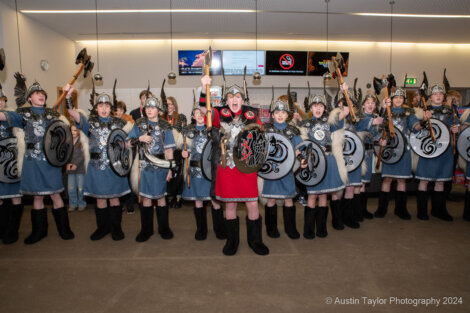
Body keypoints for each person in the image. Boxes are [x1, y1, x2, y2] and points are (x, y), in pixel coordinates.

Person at [200, 74, 269, 256]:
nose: (234, 100)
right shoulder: (218, 113)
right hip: (227, 166)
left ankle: (256, 241)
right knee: (229, 205)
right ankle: (232, 242)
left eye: (238, 97)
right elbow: (203, 110)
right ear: (226, 100)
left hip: (246, 167)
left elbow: (261, 138)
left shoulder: (251, 114)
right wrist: (203, 89)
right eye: (230, 97)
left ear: (243, 99)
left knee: (252, 204)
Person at [0, 74, 74, 244]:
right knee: (37, 197)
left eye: (43, 93)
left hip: (50, 162)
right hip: (32, 162)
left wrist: (67, 96)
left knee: (56, 196)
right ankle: (39, 232)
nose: (41, 95)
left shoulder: (53, 114)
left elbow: (64, 134)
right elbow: (3, 117)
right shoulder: (22, 114)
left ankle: (65, 229)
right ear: (30, 98)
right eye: (37, 93)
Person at [66, 84, 132, 240]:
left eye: (107, 106)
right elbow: (73, 114)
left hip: (114, 167)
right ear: (96, 108)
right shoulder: (90, 124)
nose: (104, 108)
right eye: (101, 105)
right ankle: (102, 229)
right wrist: (68, 97)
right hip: (97, 167)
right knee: (100, 199)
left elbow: (129, 141)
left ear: (111, 108)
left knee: (115, 198)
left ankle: (116, 229)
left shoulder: (120, 124)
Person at [298, 92, 348, 239]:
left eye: (320, 106)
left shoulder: (330, 122)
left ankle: (321, 228)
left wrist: (344, 91)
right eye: (315, 106)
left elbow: (345, 111)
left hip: (329, 161)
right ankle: (308, 229)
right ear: (311, 108)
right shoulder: (305, 124)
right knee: (312, 195)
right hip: (314, 163)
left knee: (324, 196)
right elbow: (301, 143)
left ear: (324, 107)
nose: (318, 108)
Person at [128, 96, 175, 242]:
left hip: (161, 165)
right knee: (146, 198)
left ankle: (164, 228)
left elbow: (169, 150)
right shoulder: (139, 124)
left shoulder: (165, 125)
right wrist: (139, 139)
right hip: (144, 166)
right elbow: (127, 143)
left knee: (161, 197)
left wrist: (169, 168)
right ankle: (146, 230)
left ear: (159, 110)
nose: (149, 110)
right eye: (147, 107)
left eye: (153, 107)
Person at [261, 97, 305, 239]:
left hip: (287, 170)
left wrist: (302, 159)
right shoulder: (265, 130)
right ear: (272, 115)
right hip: (271, 170)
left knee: (288, 199)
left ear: (288, 115)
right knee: (271, 200)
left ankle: (290, 228)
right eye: (277, 112)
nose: (280, 115)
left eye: (283, 112)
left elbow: (299, 149)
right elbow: (260, 148)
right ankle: (271, 228)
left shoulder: (293, 130)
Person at [414, 84, 459, 221]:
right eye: (435, 94)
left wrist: (456, 130)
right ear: (430, 97)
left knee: (441, 181)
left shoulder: (450, 111)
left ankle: (438, 210)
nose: (438, 96)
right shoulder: (422, 111)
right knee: (424, 181)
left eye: (440, 94)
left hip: (445, 151)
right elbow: (415, 129)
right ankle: (421, 212)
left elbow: (456, 127)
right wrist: (423, 119)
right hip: (428, 150)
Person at [181, 104, 225, 240]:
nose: (199, 116)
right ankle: (201, 230)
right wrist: (183, 153)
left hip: (210, 171)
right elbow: (186, 149)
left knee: (215, 200)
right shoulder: (187, 132)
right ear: (193, 117)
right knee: (198, 201)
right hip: (195, 171)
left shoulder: (214, 131)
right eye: (197, 114)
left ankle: (220, 230)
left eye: (202, 114)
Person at [375, 88, 420, 220]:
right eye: (396, 97)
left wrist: (420, 124)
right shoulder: (385, 112)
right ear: (392, 99)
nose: (398, 99)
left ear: (404, 99)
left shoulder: (409, 112)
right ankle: (381, 209)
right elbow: (378, 127)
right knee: (387, 179)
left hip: (404, 151)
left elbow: (414, 125)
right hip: (389, 150)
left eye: (401, 97)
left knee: (402, 180)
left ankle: (401, 209)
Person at [0, 84, 23, 244]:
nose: (1, 102)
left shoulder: (12, 115)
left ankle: (12, 231)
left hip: (12, 164)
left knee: (15, 198)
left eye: (2, 100)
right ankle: (2, 229)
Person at [356, 93, 383, 221]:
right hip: (358, 154)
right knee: (357, 183)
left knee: (364, 183)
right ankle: (356, 211)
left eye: (373, 103)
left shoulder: (375, 117)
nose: (370, 105)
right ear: (363, 105)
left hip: (369, 153)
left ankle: (362, 210)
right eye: (368, 102)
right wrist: (374, 120)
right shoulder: (359, 117)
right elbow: (362, 125)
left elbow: (377, 135)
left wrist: (381, 141)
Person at [162, 96, 187, 208]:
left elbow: (184, 133)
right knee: (165, 174)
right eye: (166, 104)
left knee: (178, 173)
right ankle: (166, 196)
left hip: (177, 150)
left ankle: (178, 197)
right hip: (164, 151)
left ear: (175, 106)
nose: (169, 106)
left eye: (171, 104)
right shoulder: (161, 118)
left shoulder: (181, 117)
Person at [114, 100, 137, 214]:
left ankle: (129, 205)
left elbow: (133, 136)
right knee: (118, 178)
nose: (116, 112)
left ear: (122, 110)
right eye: (115, 110)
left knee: (127, 178)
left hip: (126, 152)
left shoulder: (129, 121)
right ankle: (119, 204)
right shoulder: (111, 121)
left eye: (117, 109)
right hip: (114, 152)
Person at [66, 125, 87, 212]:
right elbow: (65, 154)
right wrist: (67, 163)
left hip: (80, 169)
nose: (73, 132)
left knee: (80, 188)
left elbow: (83, 155)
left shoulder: (82, 142)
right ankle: (73, 204)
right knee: (71, 188)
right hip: (70, 169)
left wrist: (76, 164)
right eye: (71, 130)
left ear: (78, 131)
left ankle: (81, 203)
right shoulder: (67, 142)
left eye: (75, 130)